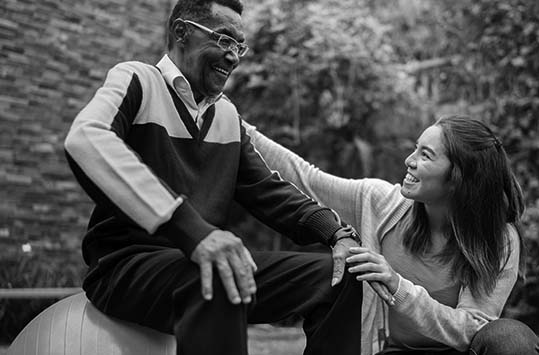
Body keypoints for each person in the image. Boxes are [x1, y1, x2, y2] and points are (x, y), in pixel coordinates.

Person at [63, 1, 366, 354]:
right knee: (221, 269)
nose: (234, 56)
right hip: (126, 268)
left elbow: (268, 190)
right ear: (181, 32)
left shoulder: (226, 115)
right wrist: (194, 232)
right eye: (224, 40)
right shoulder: (137, 79)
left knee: (342, 276)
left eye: (240, 46)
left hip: (202, 265)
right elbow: (86, 138)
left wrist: (336, 232)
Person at [244, 115, 539, 355]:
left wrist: (399, 288)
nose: (409, 161)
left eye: (425, 155)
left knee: (510, 339)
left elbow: (472, 328)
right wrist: (237, 126)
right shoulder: (382, 203)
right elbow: (306, 179)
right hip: (389, 352)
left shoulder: (499, 239)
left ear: (458, 178)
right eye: (415, 148)